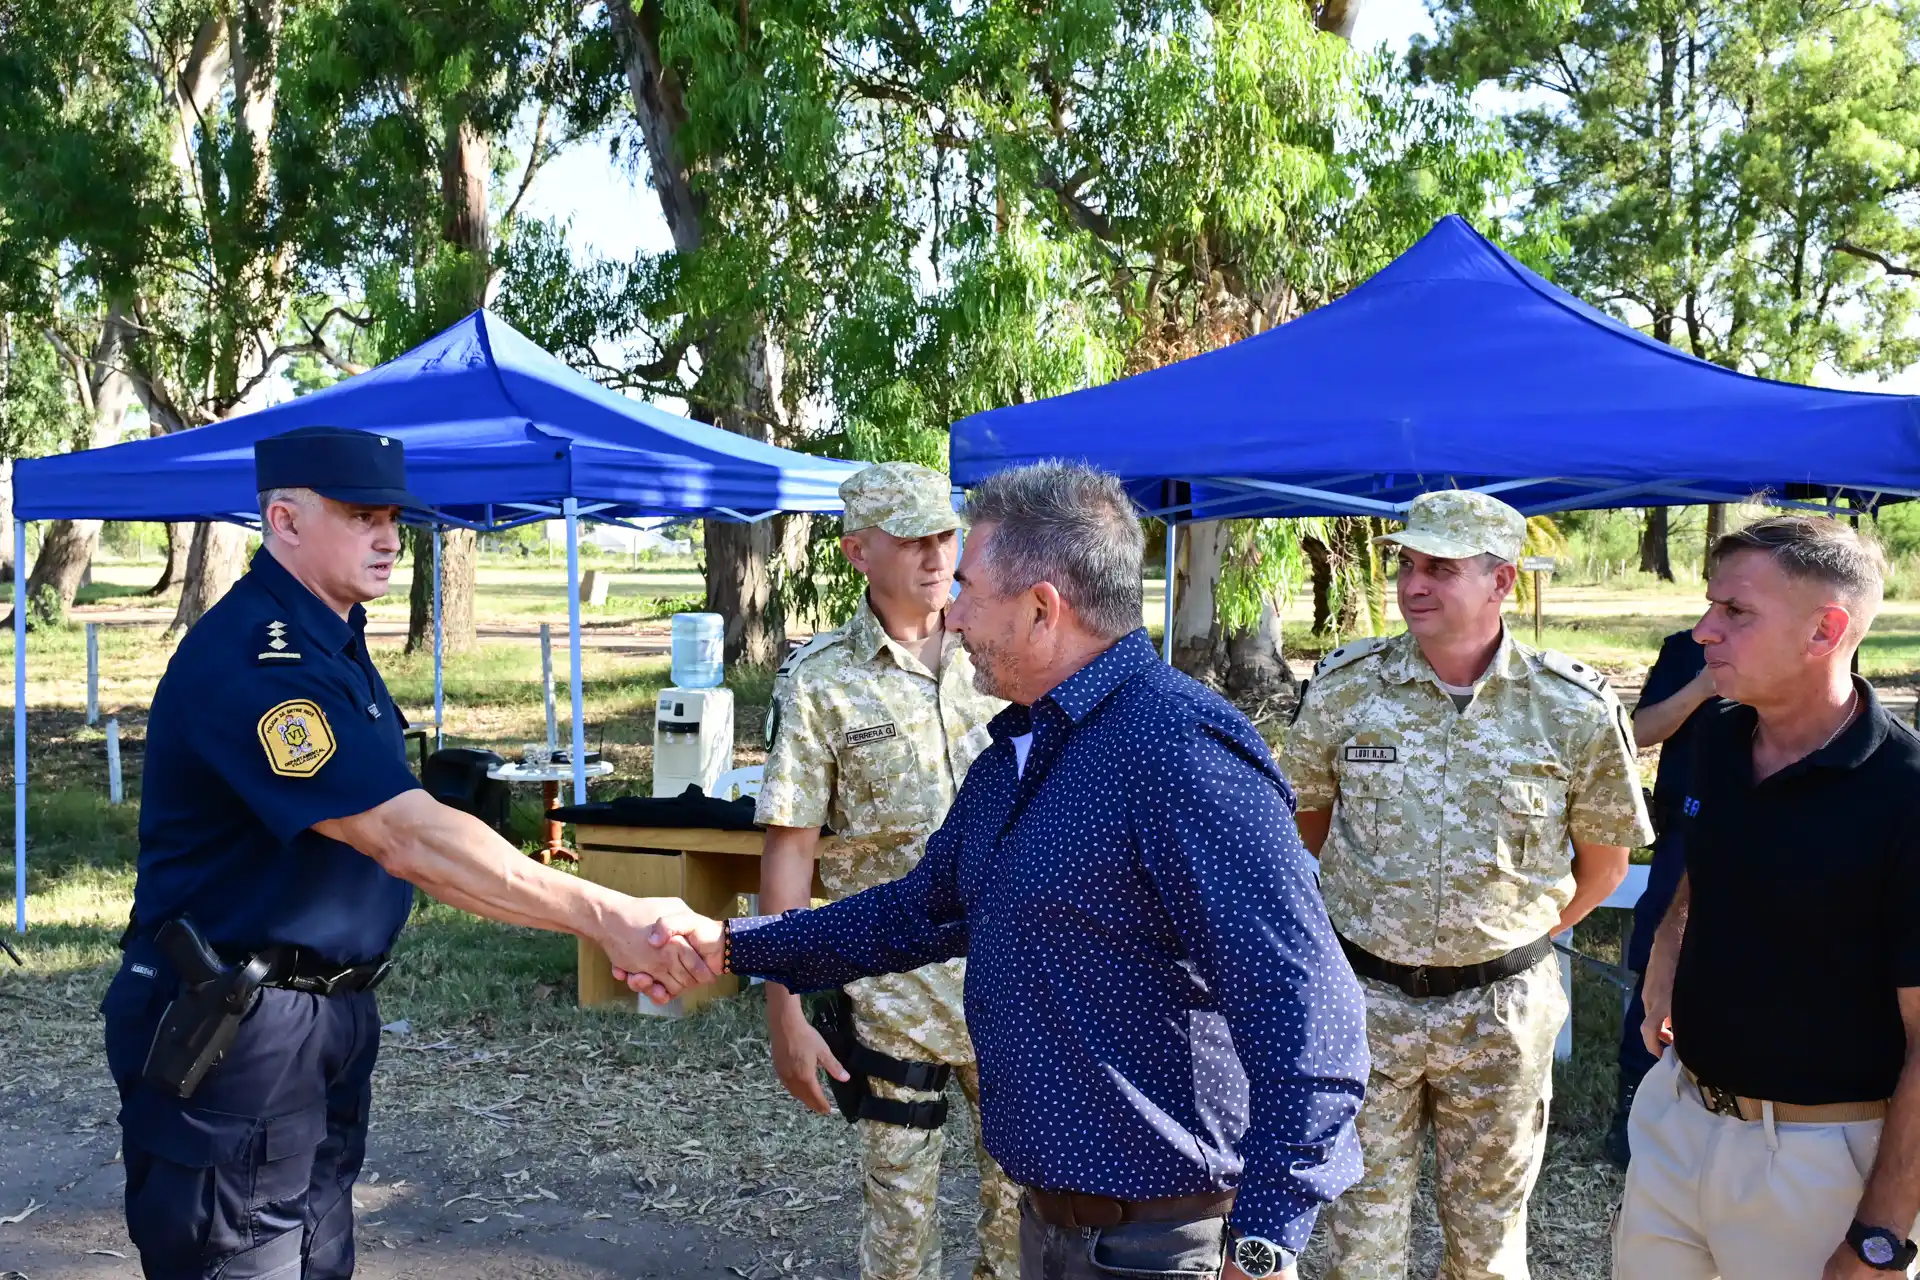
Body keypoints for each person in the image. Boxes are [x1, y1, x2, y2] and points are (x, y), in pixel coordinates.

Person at [623, 461, 1368, 1280]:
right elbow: (914, 914)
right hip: (1052, 1229)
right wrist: (729, 946)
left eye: (970, 587)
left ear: (1043, 608)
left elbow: (1310, 1014)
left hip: (1169, 1243)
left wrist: (1264, 1246)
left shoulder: (1181, 755)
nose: (957, 610)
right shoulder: (1021, 749)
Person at [100, 426, 707, 1279]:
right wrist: (606, 914)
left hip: (319, 1020)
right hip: (234, 1030)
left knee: (313, 1255)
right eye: (360, 516)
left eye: (392, 517)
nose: (388, 538)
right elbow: (402, 836)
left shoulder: (332, 643)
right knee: (241, 1260)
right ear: (284, 519)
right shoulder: (259, 659)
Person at [1281, 488, 1653, 1280]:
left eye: (1440, 568)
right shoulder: (1347, 689)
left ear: (1502, 582)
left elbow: (1605, 867)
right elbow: (1304, 827)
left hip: (1500, 1015)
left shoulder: (1571, 707)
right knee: (1358, 1249)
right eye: (1408, 564)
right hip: (1367, 1006)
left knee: (1488, 1250)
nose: (1413, 584)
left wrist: (1511, 940)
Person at [1619, 515, 1920, 1280]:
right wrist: (1670, 936)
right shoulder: (1723, 737)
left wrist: (1879, 1238)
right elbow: (1716, 851)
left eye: (1735, 612)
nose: (1702, 630)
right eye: (1710, 605)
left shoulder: (1905, 794)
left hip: (1818, 1162)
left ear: (1826, 631)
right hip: (1677, 1120)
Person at [755, 461, 1017, 1280]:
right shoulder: (820, 682)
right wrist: (785, 1007)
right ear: (857, 551)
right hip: (892, 988)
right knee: (900, 1227)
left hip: (1014, 976)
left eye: (946, 534)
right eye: (912, 540)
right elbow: (790, 846)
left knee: (1026, 1213)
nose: (938, 556)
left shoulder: (1007, 646)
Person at [1602, 628, 1725, 1167]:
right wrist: (1701, 688)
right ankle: (1637, 1094)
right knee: (1660, 950)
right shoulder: (1685, 649)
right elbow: (1639, 732)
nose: (1717, 621)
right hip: (1687, 826)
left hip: (1770, 821)